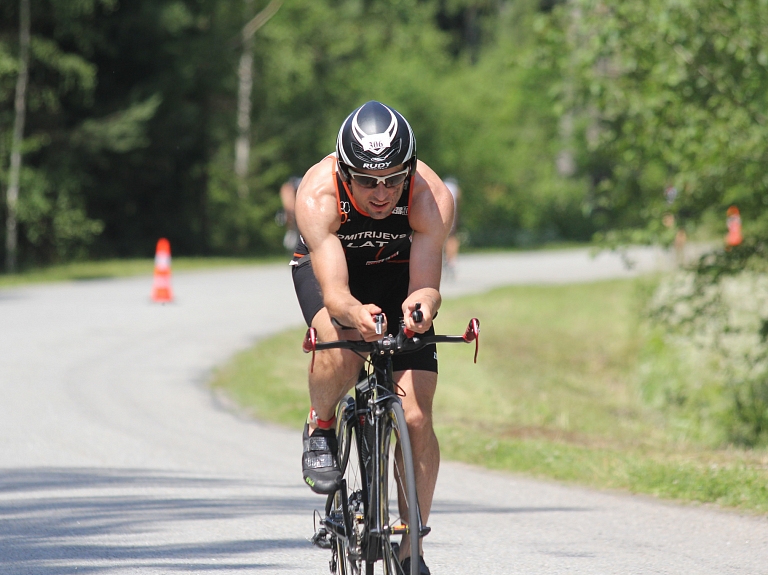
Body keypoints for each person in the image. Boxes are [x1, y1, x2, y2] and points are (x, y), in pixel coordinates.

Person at [290, 100, 454, 575]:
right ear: (344, 172)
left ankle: (411, 550)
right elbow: (337, 294)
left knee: (417, 415)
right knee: (340, 342)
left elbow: (427, 285)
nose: (381, 193)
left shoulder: (429, 195)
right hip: (335, 275)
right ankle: (321, 425)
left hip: (399, 276)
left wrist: (422, 308)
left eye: (393, 179)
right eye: (366, 180)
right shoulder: (318, 194)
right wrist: (354, 314)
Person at [442, 177, 461, 279]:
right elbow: (458, 199)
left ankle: (445, 257)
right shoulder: (455, 188)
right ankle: (451, 261)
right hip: (451, 213)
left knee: (442, 237)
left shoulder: (441, 184)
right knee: (452, 238)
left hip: (440, 212)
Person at [278, 176, 302, 251]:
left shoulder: (288, 188)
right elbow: (289, 206)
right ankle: (291, 232)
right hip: (293, 215)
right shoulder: (287, 188)